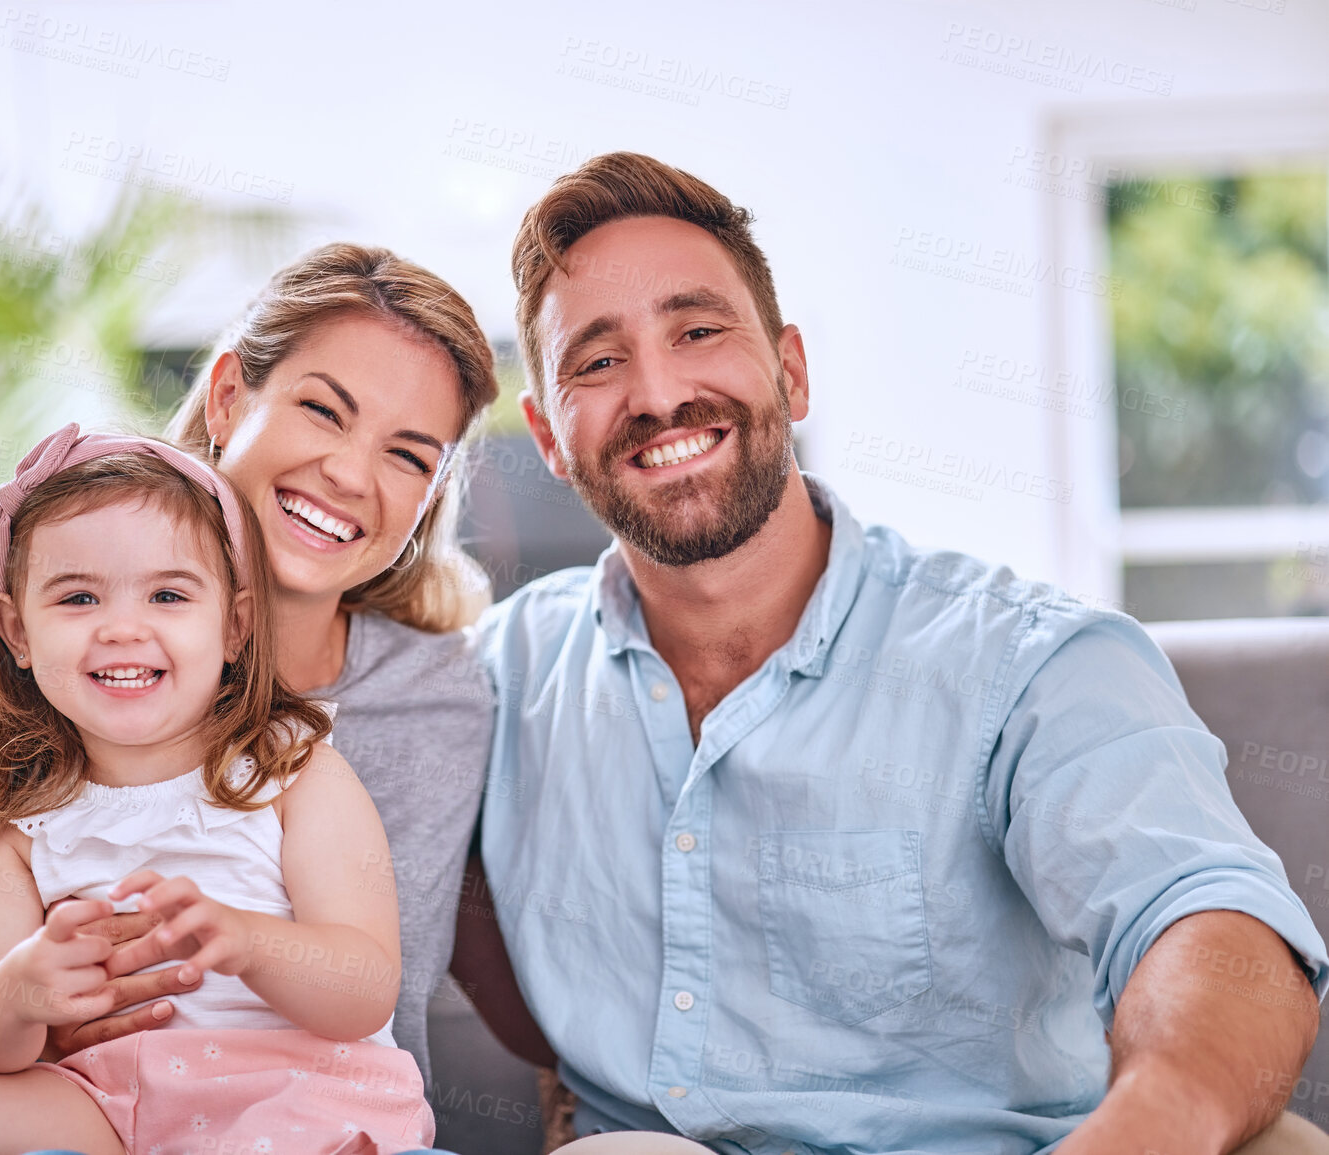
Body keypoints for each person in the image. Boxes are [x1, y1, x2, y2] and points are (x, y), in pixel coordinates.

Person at [453, 152, 1329, 1155]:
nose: (658, 392)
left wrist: (1149, 1126)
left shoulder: (1027, 660)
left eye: (699, 331)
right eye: (598, 363)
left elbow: (1210, 929)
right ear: (549, 436)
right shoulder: (497, 677)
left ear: (791, 370)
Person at [0, 244, 498, 1103]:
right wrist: (29, 1019)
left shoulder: (445, 696)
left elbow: (498, 954)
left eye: (408, 455)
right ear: (229, 396)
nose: (349, 474)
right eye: (322, 410)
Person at [0, 427, 436, 1154]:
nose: (122, 628)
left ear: (234, 625)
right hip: (107, 1108)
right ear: (16, 631)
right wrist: (18, 993)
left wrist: (247, 941)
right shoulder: (13, 820)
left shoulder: (291, 773)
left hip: (292, 1098)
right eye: (78, 598)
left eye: (168, 594)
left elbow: (363, 989)